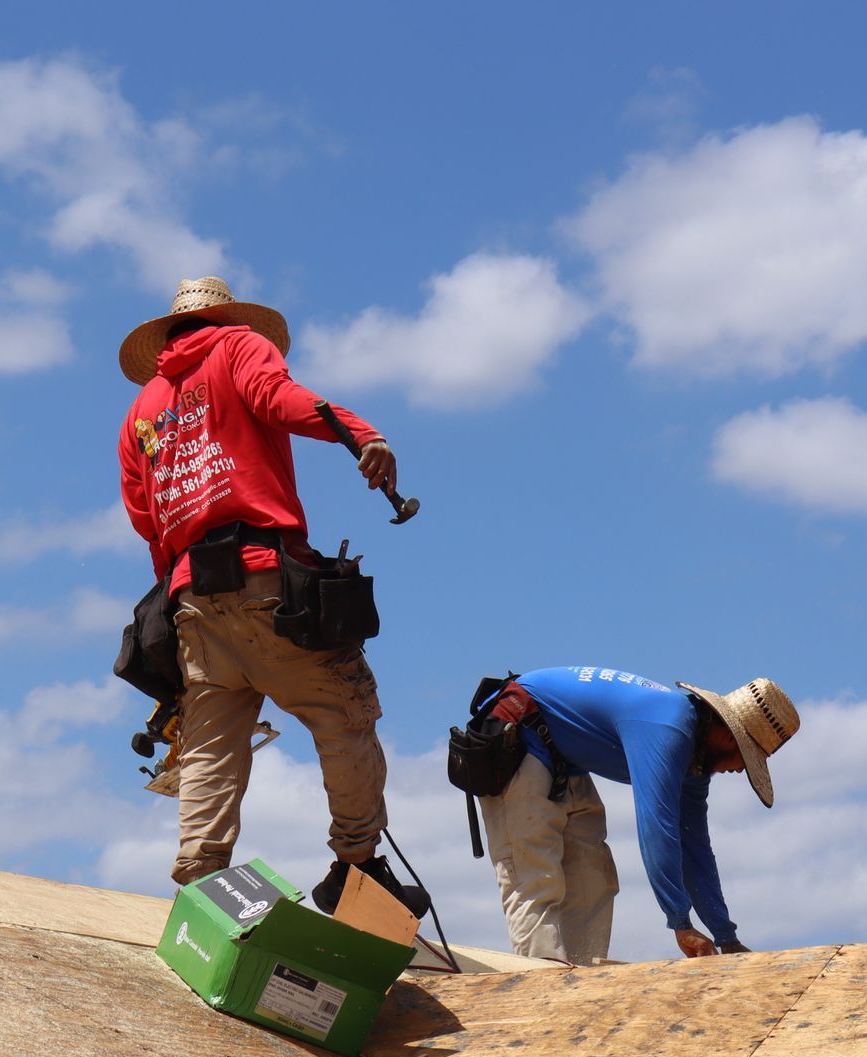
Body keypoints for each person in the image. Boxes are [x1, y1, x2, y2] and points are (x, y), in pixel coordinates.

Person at [117, 277, 427, 917]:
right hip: (265, 578)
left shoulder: (142, 410)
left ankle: (200, 889)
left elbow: (146, 516)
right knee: (345, 716)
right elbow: (280, 398)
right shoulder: (238, 346)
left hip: (193, 600)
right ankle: (358, 867)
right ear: (226, 317)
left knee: (210, 747)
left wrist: (176, 598)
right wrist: (361, 434)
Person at [473, 666, 799, 963]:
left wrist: (726, 937)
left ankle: (580, 977)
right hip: (519, 737)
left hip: (561, 758)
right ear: (729, 738)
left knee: (593, 874)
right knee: (536, 875)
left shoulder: (695, 764)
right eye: (746, 758)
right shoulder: (669, 730)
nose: (741, 769)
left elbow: (695, 849)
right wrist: (680, 922)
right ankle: (542, 985)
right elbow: (657, 828)